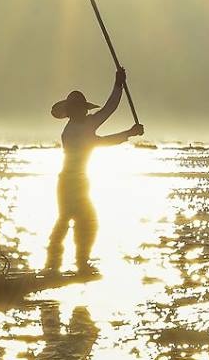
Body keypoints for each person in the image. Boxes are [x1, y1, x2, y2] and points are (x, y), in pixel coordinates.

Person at [46, 66, 144, 272]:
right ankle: (60, 265)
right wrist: (129, 132)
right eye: (78, 109)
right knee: (72, 220)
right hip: (69, 182)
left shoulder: (87, 123)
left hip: (77, 181)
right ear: (71, 112)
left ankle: (75, 262)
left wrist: (118, 84)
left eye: (83, 108)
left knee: (79, 221)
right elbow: (103, 140)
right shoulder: (73, 131)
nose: (83, 111)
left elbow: (110, 108)